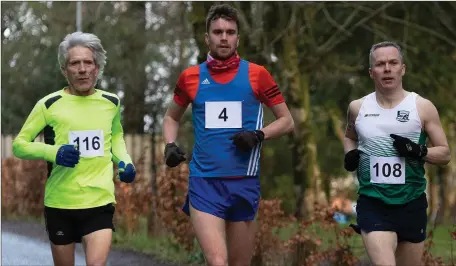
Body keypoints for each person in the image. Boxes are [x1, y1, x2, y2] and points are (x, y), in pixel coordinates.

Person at [162, 4, 294, 266]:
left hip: (244, 181)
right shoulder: (190, 77)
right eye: (218, 31)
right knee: (217, 261)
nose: (224, 37)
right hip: (205, 182)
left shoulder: (257, 75)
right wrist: (169, 145)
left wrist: (258, 135)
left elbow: (287, 121)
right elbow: (170, 117)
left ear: (238, 38)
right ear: (207, 37)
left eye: (230, 32)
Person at [12, 32, 136, 266]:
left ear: (97, 68)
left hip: (99, 200)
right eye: (74, 63)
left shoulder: (111, 103)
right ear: (64, 70)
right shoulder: (48, 105)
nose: (82, 69)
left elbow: (116, 136)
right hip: (61, 202)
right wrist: (54, 152)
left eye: (87, 62)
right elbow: (19, 145)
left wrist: (125, 162)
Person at [344, 41, 451, 266]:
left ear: (403, 69)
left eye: (393, 63)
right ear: (371, 72)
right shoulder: (358, 108)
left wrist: (417, 151)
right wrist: (350, 155)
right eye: (380, 64)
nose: (387, 68)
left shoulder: (422, 107)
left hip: (412, 202)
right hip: (373, 202)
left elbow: (444, 154)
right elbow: (350, 136)